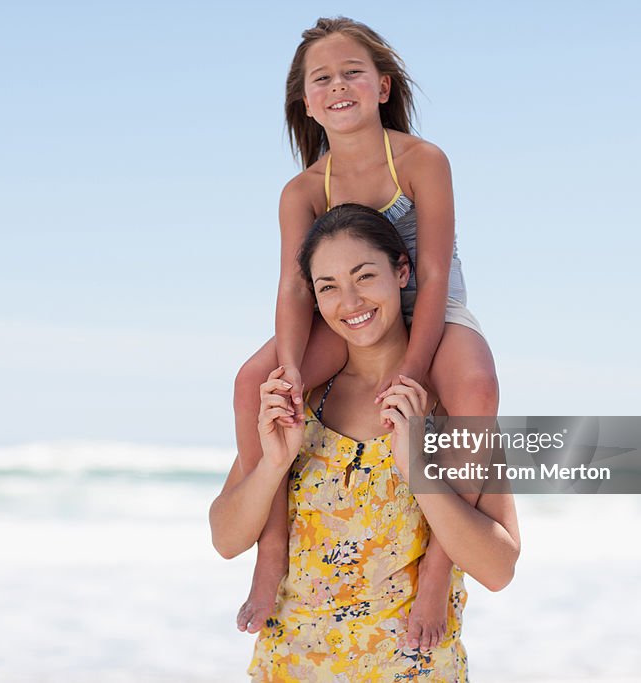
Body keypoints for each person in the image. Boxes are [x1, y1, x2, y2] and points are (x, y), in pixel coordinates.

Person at [230, 16, 499, 650]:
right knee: (253, 380)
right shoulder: (302, 190)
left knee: (476, 383)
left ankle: (439, 564)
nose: (338, 86)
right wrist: (291, 367)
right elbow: (297, 290)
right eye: (321, 78)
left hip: (429, 303)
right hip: (349, 311)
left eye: (352, 72)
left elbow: (430, 275)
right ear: (305, 100)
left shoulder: (421, 160)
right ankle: (270, 547)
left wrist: (413, 369)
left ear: (382, 86)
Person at [210, 204, 520, 680]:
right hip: (292, 665)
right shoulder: (304, 399)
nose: (349, 302)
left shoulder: (449, 406)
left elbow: (499, 569)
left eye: (364, 276)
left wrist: (418, 469)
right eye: (328, 287)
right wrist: (273, 464)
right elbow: (227, 539)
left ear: (402, 271)